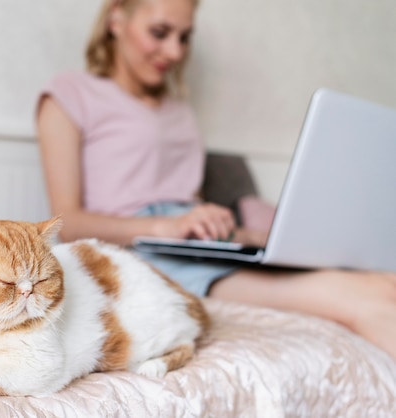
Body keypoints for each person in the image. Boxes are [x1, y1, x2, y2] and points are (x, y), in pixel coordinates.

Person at [35, 0, 396, 360]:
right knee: (355, 297)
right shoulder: (68, 95)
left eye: (184, 37)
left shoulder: (179, 110)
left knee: (386, 283)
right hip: (140, 252)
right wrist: (167, 227)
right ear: (116, 20)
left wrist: (240, 235)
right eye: (160, 33)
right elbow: (67, 223)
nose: (175, 51)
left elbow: (189, 209)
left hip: (193, 244)